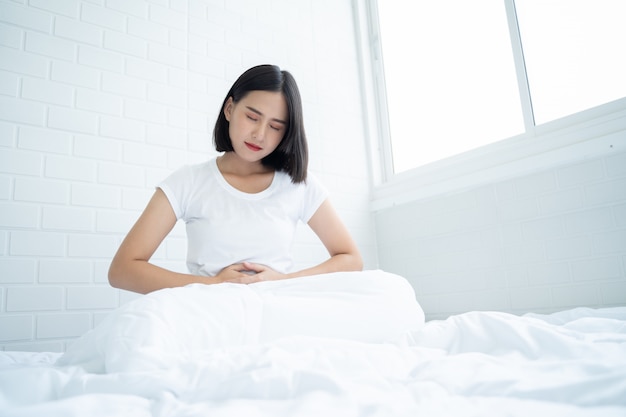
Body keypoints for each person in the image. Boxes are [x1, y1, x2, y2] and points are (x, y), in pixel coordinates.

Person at [108, 64, 363, 294]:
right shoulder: (189, 181)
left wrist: (285, 280)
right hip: (207, 315)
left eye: (275, 127)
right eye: (252, 117)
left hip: (277, 312)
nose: (260, 135)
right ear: (229, 109)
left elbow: (351, 259)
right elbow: (122, 271)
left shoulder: (298, 184)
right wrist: (214, 284)